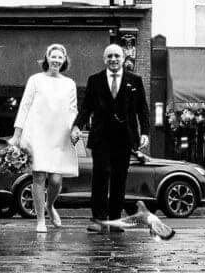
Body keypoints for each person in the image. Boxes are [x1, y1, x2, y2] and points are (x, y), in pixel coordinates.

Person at [71, 44, 150, 230]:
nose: (113, 59)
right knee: (100, 178)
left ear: (123, 58)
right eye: (109, 56)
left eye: (117, 56)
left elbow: (143, 110)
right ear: (104, 59)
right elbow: (86, 108)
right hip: (101, 138)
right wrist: (76, 126)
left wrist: (145, 132)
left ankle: (115, 221)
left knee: (119, 179)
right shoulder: (95, 80)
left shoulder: (135, 81)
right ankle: (98, 221)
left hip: (125, 138)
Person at [12, 43, 79, 233]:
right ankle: (40, 219)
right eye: (53, 56)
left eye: (60, 57)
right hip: (37, 133)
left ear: (64, 60)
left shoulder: (69, 84)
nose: (56, 60)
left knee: (56, 179)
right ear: (47, 58)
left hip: (59, 135)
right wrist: (17, 134)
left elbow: (72, 109)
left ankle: (50, 206)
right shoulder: (35, 80)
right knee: (39, 176)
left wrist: (74, 128)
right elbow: (24, 106)